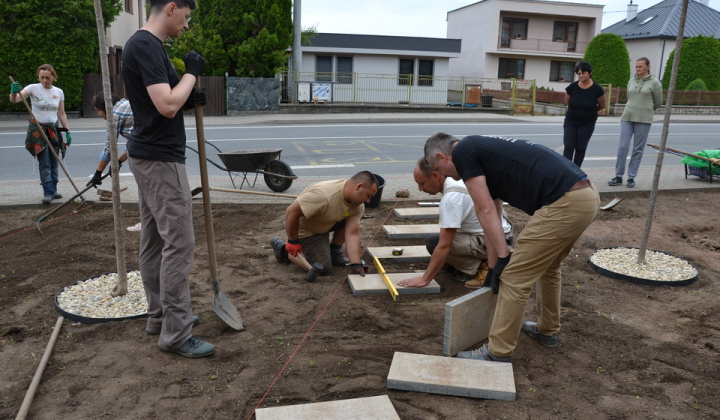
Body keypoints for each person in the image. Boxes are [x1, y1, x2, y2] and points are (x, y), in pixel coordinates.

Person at [424, 132, 600, 363]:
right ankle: (547, 330)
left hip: (565, 202)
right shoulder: (481, 152)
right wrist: (494, 263)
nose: (451, 178)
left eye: (445, 172)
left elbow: (484, 210)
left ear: (442, 156)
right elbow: (492, 213)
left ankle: (498, 352)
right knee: (548, 268)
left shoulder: (463, 151)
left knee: (515, 278)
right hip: (585, 197)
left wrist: (505, 258)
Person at [122, 0, 211, 358]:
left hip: (148, 154)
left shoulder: (150, 46)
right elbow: (167, 105)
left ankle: (160, 316)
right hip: (160, 160)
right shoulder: (145, 44)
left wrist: (189, 94)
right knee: (179, 244)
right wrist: (190, 74)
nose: (186, 26)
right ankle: (176, 334)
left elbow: (171, 99)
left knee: (156, 241)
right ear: (171, 8)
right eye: (186, 17)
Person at [398, 157, 514, 289]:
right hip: (502, 235)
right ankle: (484, 260)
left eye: (422, 183)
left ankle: (483, 267)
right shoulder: (458, 179)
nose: (420, 189)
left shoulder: (451, 198)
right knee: (441, 239)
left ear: (435, 175)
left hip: (494, 241)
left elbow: (444, 246)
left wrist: (425, 279)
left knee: (435, 243)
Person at [270, 171, 378, 282]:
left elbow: (352, 233)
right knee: (323, 268)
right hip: (306, 230)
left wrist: (356, 263)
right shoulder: (324, 195)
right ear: (359, 187)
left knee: (348, 220)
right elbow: (291, 212)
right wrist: (292, 241)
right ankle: (282, 250)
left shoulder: (357, 205)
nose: (368, 201)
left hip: (325, 222)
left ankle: (334, 252)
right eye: (368, 195)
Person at [9, 64, 73, 204]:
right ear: (39, 77)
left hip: (54, 130)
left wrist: (67, 130)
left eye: (48, 78)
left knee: (54, 161)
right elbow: (15, 100)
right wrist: (14, 93)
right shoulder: (32, 88)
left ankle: (54, 190)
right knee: (44, 163)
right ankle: (48, 192)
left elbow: (61, 113)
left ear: (53, 77)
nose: (45, 80)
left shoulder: (59, 92)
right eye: (42, 77)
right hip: (38, 130)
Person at [608, 57, 663, 188]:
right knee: (623, 147)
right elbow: (630, 97)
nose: (638, 69)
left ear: (648, 67)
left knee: (638, 150)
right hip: (627, 116)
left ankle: (631, 177)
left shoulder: (655, 83)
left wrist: (646, 110)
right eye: (637, 67)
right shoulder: (631, 81)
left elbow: (658, 102)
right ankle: (618, 176)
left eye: (641, 66)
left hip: (643, 120)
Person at [563, 61, 606, 167]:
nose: (581, 75)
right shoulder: (572, 87)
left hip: (587, 123)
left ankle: (576, 171)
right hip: (571, 121)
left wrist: (589, 111)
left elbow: (602, 105)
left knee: (580, 147)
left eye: (583, 73)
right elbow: (568, 102)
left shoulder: (597, 89)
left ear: (590, 73)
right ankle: (566, 171)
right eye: (579, 73)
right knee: (568, 146)